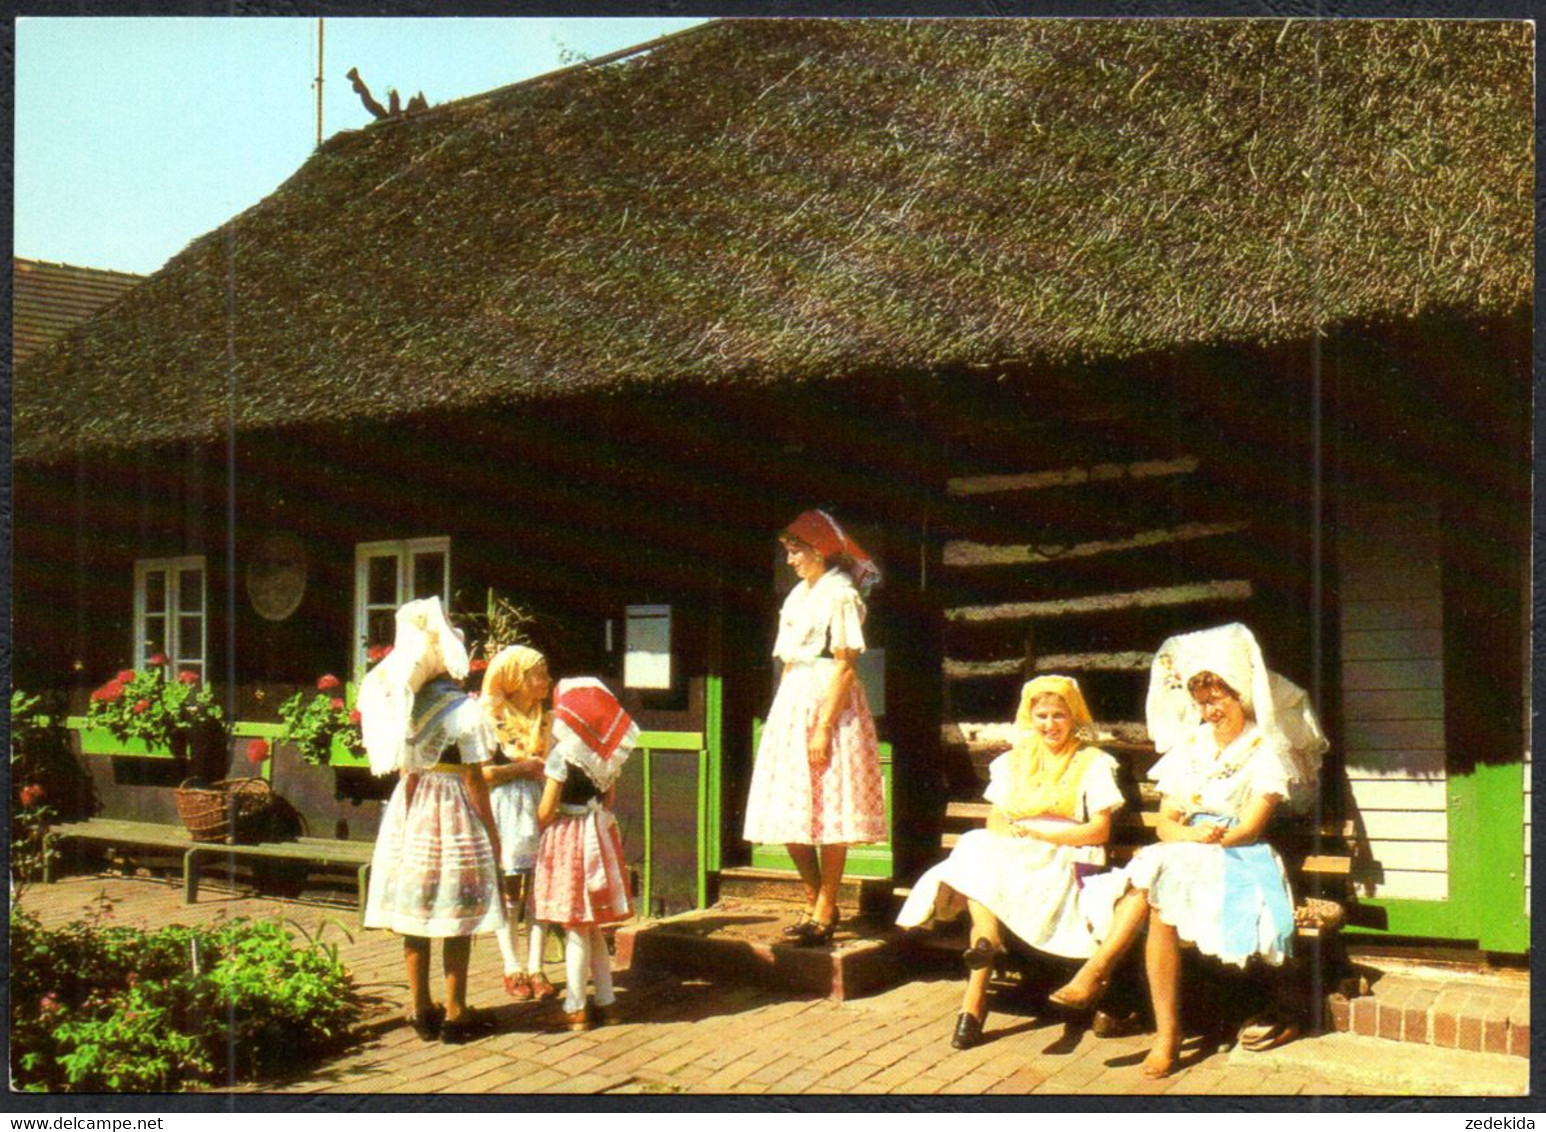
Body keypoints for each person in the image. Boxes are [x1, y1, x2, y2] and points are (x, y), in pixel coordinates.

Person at [1049, 623, 1327, 1079]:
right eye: (1201, 702)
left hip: (1239, 857)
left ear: (1240, 696)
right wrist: (1187, 838)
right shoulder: (1191, 746)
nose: (1209, 710)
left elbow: (1250, 827)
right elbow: (1165, 823)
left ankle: (1115, 988)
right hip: (1184, 855)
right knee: (1162, 894)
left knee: (1159, 888)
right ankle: (1159, 1029)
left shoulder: (1264, 749)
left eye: (1218, 699)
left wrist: (1204, 839)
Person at [897, 675, 1124, 1049]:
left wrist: (1044, 837)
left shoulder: (1092, 762)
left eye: (1058, 716)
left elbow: (1098, 830)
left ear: (1073, 718)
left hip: (1066, 851)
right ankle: (986, 941)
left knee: (976, 861)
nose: (1050, 725)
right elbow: (997, 819)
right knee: (977, 847)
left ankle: (974, 998)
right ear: (1030, 718)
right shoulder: (1014, 762)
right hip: (1021, 851)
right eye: (1042, 716)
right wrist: (1014, 836)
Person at [358, 597, 505, 1044]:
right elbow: (477, 777)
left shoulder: (405, 705)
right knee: (456, 913)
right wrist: (492, 832)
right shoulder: (465, 711)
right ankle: (456, 1011)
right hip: (455, 808)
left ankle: (420, 1007)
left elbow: (405, 766)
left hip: (413, 809)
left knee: (416, 913)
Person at [742, 509, 886, 947]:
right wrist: (783, 718)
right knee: (791, 806)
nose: (790, 561)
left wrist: (823, 725)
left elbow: (845, 667)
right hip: (793, 700)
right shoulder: (798, 596)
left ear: (820, 550)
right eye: (787, 552)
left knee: (830, 805)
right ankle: (812, 898)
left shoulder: (839, 594)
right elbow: (789, 661)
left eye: (795, 552)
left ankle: (826, 904)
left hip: (830, 702)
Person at [533, 677, 639, 1032]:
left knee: (575, 923)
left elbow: (547, 810)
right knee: (591, 926)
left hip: (568, 839)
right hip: (596, 833)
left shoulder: (561, 756)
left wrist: (539, 819)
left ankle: (575, 1005)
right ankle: (607, 1002)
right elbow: (609, 801)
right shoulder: (604, 757)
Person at [480, 644, 559, 1002]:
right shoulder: (490, 717)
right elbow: (479, 774)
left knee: (541, 887)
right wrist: (521, 768)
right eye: (539, 674)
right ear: (519, 678)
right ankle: (512, 966)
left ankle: (536, 966)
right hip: (507, 807)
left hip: (543, 804)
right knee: (510, 887)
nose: (547, 680)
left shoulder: (549, 718)